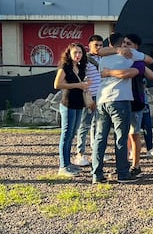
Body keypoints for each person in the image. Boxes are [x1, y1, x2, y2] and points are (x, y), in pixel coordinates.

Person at [91, 32, 147, 184]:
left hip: (102, 99)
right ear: (122, 43)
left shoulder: (103, 57)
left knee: (100, 138)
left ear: (109, 43)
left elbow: (98, 51)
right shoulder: (129, 54)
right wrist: (133, 54)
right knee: (121, 138)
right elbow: (149, 59)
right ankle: (122, 173)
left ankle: (96, 173)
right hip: (120, 99)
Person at [122, 33, 153, 178]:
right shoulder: (118, 58)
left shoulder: (138, 61)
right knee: (123, 134)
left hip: (136, 101)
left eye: (128, 43)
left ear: (136, 47)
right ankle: (124, 162)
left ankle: (135, 165)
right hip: (121, 100)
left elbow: (151, 74)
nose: (125, 46)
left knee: (134, 134)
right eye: (123, 43)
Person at [53, 43, 89, 176]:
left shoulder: (80, 67)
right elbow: (57, 84)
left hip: (79, 104)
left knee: (73, 134)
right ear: (69, 54)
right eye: (75, 53)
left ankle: (68, 163)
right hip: (68, 103)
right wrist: (78, 85)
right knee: (66, 134)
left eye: (80, 52)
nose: (78, 55)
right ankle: (63, 166)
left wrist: (85, 85)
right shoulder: (65, 67)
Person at [74, 34, 103, 167]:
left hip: (102, 96)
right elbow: (81, 77)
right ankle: (80, 153)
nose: (99, 47)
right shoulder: (85, 60)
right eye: (96, 45)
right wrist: (87, 92)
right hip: (91, 96)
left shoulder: (104, 59)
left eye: (101, 45)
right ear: (89, 45)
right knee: (84, 125)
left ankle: (95, 151)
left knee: (99, 126)